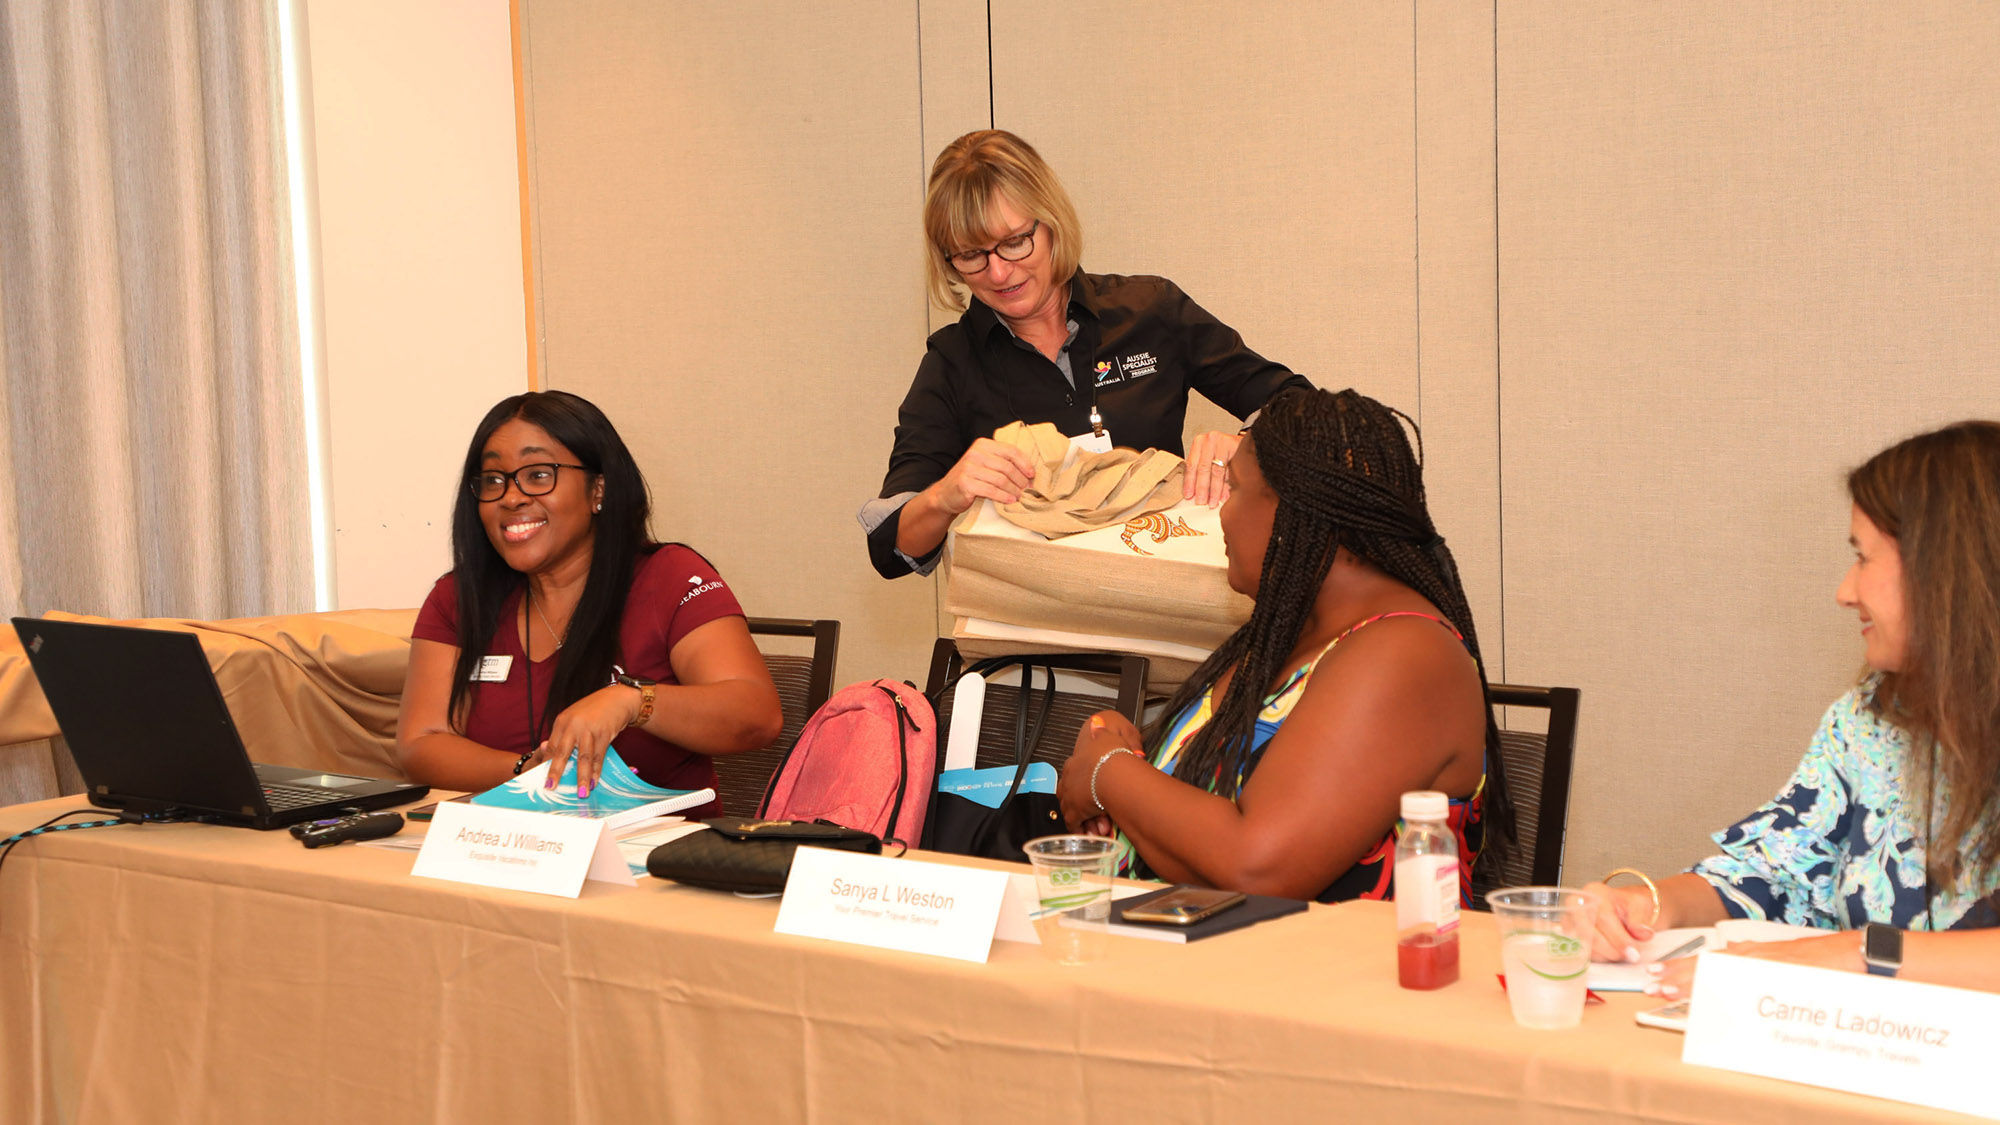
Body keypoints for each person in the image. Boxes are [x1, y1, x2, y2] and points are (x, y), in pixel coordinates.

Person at [1583, 421, 2000, 995]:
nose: (1844, 591)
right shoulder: (1871, 719)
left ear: (1946, 570)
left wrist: (1852, 954)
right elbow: (1770, 874)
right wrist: (1640, 907)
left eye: (1864, 558)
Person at [1054, 387, 1516, 903]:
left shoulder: (1406, 653)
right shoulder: (1287, 638)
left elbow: (1256, 868)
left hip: (1335, 978)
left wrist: (1109, 773)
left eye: (1235, 488)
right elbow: (1196, 828)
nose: (1223, 515)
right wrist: (1114, 748)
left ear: (1296, 507)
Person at [861, 129, 1312, 579]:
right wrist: (946, 494)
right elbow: (890, 548)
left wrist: (1244, 447)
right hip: (1041, 634)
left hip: (1162, 601)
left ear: (1050, 220)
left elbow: (1301, 406)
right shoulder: (951, 362)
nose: (998, 272)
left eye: (1015, 242)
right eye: (970, 256)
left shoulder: (1150, 310)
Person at [396, 391, 782, 811]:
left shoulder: (668, 576)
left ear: (599, 488)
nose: (510, 497)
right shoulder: (457, 596)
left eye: (538, 474)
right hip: (509, 849)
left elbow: (757, 715)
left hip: (655, 857)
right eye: (493, 479)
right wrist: (533, 770)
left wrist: (633, 700)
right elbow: (421, 743)